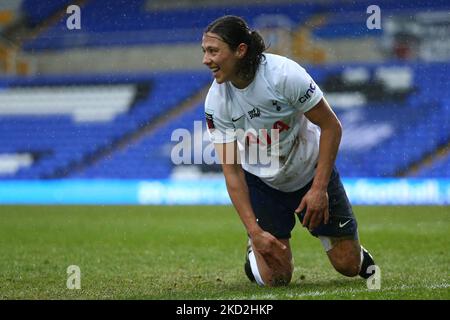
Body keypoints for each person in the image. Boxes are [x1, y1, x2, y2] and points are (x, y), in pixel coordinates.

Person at [202, 15, 376, 286]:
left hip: (309, 172)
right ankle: (254, 250)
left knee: (348, 266)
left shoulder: (284, 75)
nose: (206, 60)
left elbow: (331, 127)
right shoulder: (216, 102)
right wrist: (254, 231)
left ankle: (350, 251)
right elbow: (232, 172)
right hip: (262, 182)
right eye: (204, 52)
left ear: (240, 50)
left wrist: (319, 189)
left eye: (213, 51)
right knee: (276, 279)